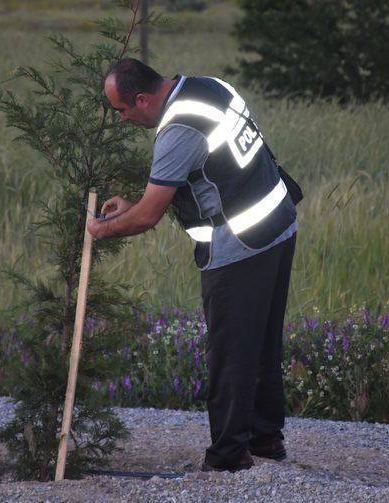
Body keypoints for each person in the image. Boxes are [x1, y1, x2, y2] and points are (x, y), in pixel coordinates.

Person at [87, 58, 298, 472]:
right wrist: (134, 204)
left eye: (121, 110)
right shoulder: (210, 86)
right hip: (278, 224)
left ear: (143, 99)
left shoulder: (177, 130)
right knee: (263, 348)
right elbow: (210, 171)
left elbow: (148, 215)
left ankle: (227, 458)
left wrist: (101, 229)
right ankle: (266, 442)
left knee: (231, 356)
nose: (122, 120)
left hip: (241, 246)